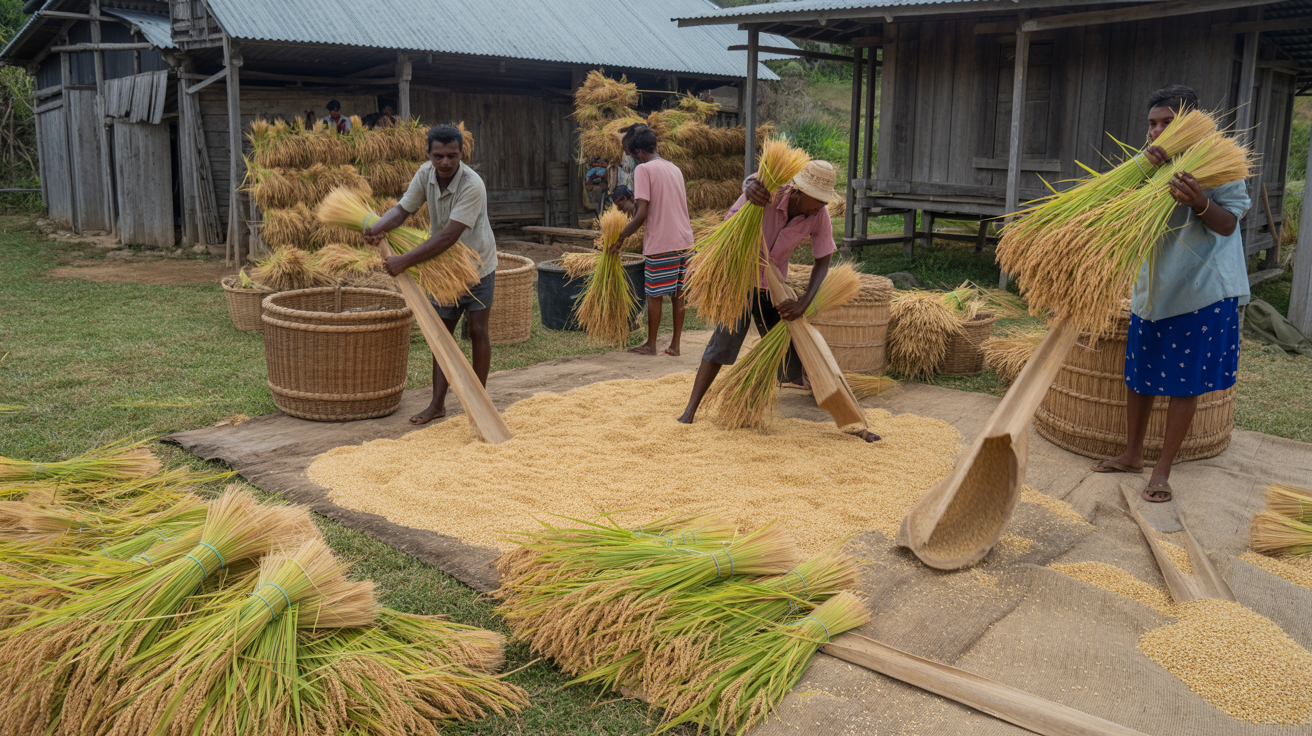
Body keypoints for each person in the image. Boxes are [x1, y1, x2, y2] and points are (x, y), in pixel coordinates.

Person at [1091, 85, 1250, 502]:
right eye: (1152, 123)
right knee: (1139, 374)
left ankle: (1162, 469)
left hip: (1201, 286)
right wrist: (1143, 166)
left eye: (1167, 123)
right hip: (1155, 284)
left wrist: (1200, 201)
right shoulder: (1144, 165)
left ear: (1191, 124)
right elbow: (1114, 202)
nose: (1156, 131)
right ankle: (1131, 454)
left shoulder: (1219, 163)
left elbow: (1229, 223)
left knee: (1184, 381)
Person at [676, 160, 879, 443]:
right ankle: (690, 411)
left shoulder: (818, 215)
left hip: (774, 289)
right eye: (816, 201)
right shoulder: (766, 195)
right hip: (740, 281)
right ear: (797, 191)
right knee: (722, 342)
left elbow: (823, 261)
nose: (820, 207)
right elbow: (730, 223)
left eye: (824, 202)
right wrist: (748, 193)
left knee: (794, 353)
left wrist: (804, 302)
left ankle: (852, 423)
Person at [362, 124, 498, 425]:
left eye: (452, 155)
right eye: (438, 156)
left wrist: (404, 261)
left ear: (461, 154)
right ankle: (437, 405)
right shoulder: (425, 174)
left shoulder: (472, 185)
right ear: (429, 154)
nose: (445, 162)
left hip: (477, 264)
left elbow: (448, 235)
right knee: (442, 335)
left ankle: (480, 402)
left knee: (477, 330)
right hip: (443, 268)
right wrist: (377, 227)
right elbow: (402, 210)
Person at [612, 124, 695, 356]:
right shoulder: (674, 168)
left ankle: (651, 344)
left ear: (639, 152)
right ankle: (675, 346)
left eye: (630, 155)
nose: (631, 160)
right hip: (686, 241)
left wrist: (620, 238)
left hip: (662, 243)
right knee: (679, 295)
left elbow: (642, 213)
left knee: (654, 295)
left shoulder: (644, 170)